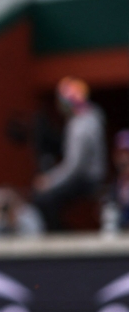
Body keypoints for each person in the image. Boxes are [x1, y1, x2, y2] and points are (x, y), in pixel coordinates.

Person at [32, 77, 107, 230]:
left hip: (87, 180)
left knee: (43, 200)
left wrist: (49, 181)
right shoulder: (91, 117)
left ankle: (61, 241)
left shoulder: (81, 125)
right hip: (88, 177)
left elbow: (74, 168)